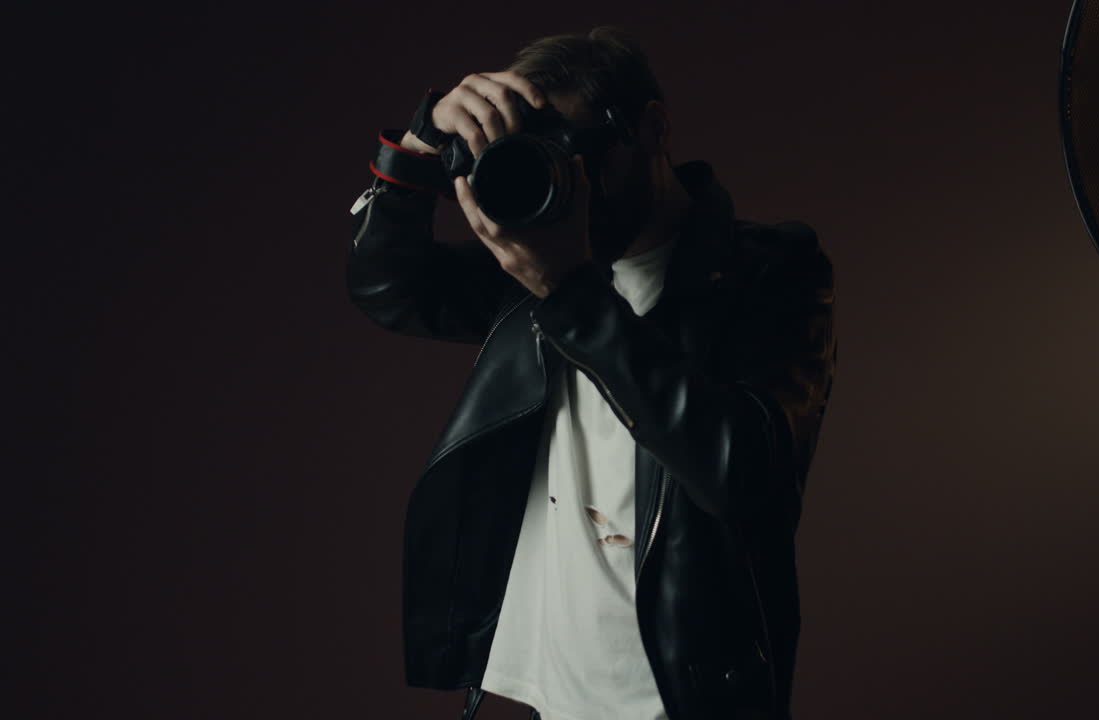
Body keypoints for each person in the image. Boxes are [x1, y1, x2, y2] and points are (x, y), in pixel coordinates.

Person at [346, 25, 837, 720]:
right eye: (547, 156)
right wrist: (421, 147)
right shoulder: (528, 267)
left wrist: (571, 290)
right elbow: (388, 289)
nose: (571, 182)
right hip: (541, 693)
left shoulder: (771, 271)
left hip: (680, 697)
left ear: (652, 128)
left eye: (584, 151)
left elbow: (746, 474)